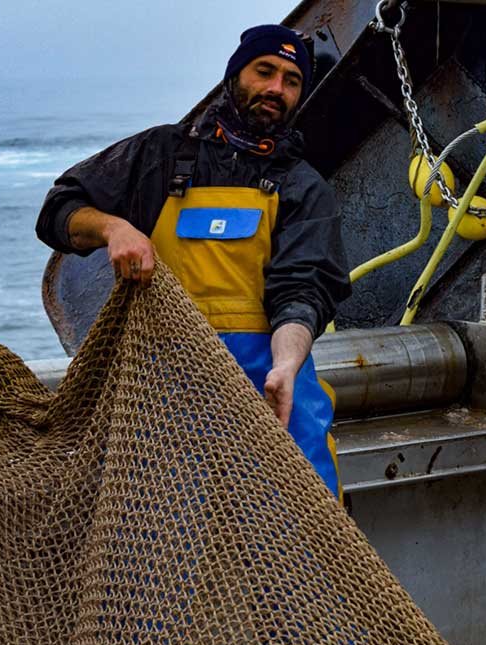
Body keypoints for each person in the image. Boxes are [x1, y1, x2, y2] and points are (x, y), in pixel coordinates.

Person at [36, 24, 352, 496]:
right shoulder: (161, 155)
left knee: (308, 511)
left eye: (291, 81)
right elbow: (58, 210)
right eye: (264, 71)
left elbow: (303, 291)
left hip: (269, 386)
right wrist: (114, 228)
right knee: (159, 520)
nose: (276, 88)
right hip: (163, 385)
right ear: (234, 75)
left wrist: (286, 366)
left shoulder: (304, 187)